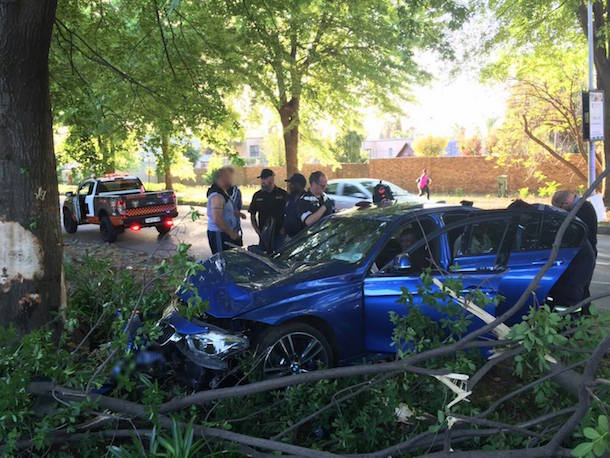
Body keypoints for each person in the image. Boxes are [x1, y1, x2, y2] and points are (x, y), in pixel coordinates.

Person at [249, 168, 288, 253]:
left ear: (272, 179)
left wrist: (283, 229)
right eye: (261, 179)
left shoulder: (282, 194)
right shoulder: (257, 195)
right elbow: (252, 215)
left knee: (279, 257)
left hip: (279, 235)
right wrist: (257, 231)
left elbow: (289, 213)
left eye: (265, 178)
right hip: (264, 235)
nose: (262, 181)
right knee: (263, 258)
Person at [551, 190, 598, 254]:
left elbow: (578, 230)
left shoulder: (585, 207)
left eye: (560, 208)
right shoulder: (580, 205)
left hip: (585, 252)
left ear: (566, 203)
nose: (560, 210)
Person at [206, 167, 240, 254]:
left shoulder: (223, 192)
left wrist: (234, 213)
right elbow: (217, 218)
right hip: (219, 234)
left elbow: (224, 211)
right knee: (222, 261)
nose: (231, 179)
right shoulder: (217, 196)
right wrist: (231, 233)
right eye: (229, 177)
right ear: (222, 177)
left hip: (224, 234)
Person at [283, 173, 307, 238]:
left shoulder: (307, 198)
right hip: (288, 237)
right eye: (290, 183)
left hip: (302, 236)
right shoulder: (288, 197)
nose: (290, 185)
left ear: (300, 185)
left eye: (293, 184)